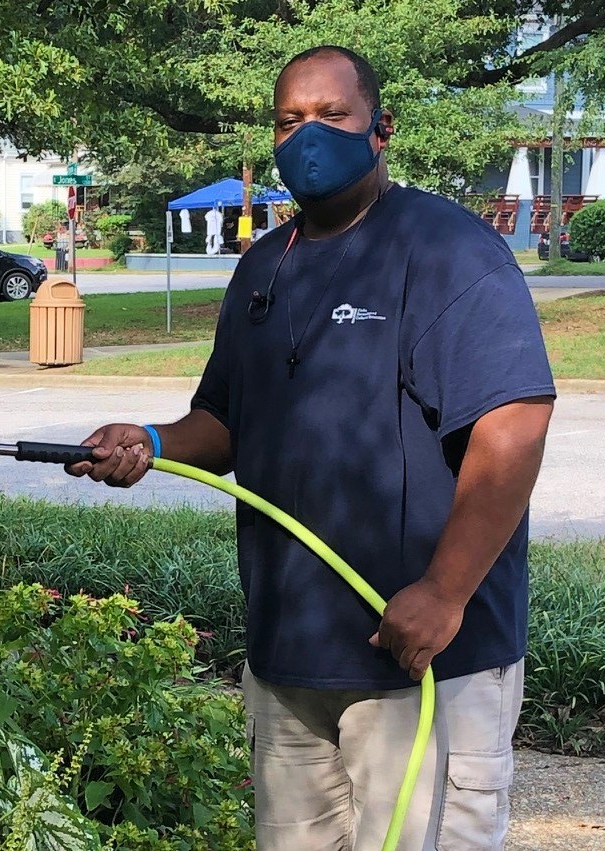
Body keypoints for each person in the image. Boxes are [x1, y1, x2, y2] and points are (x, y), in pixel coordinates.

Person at [65, 45, 555, 850]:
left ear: (381, 128)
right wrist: (150, 441)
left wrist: (444, 590)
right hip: (288, 660)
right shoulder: (264, 266)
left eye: (332, 115)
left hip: (422, 658)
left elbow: (515, 424)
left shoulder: (446, 251)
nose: (308, 136)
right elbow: (223, 421)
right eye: (290, 120)